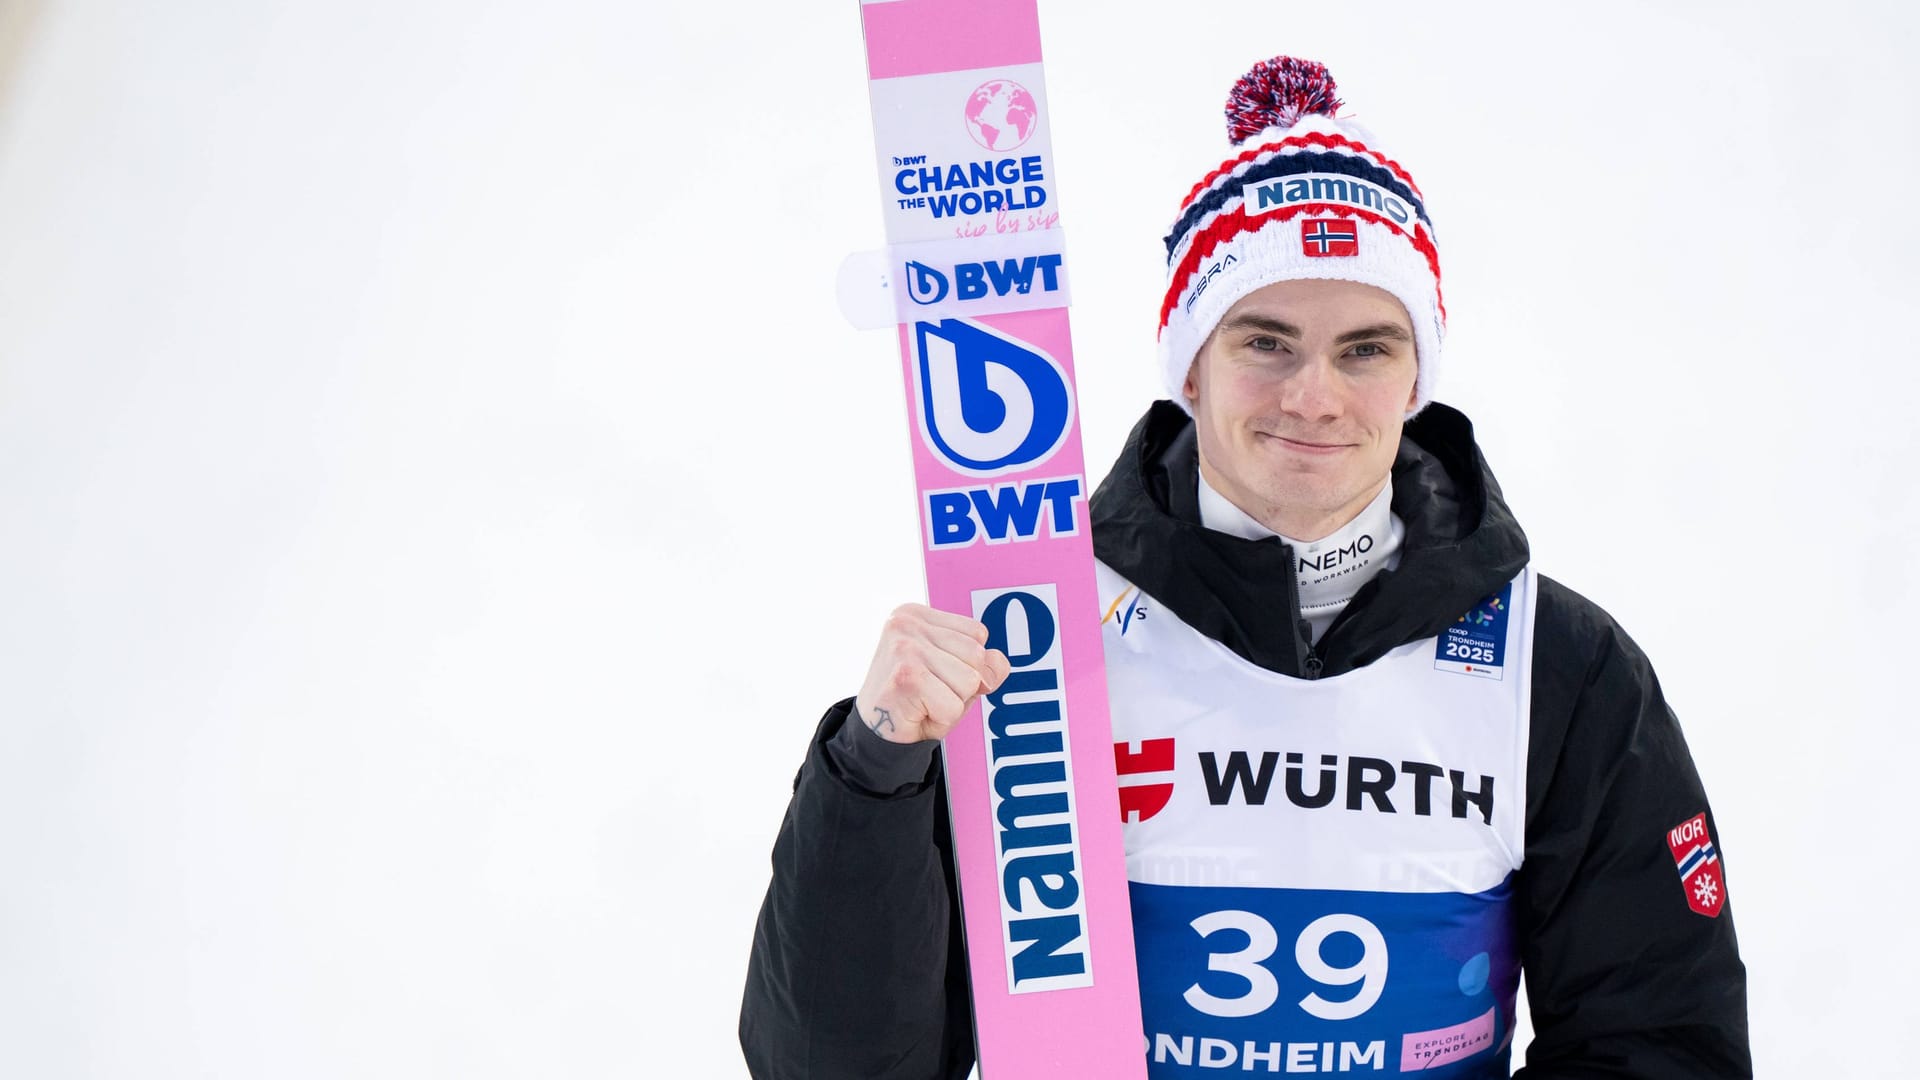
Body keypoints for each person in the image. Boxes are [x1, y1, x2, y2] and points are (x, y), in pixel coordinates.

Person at [740, 56, 1749, 1079]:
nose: (1314, 395)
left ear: (1417, 378)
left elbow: (1656, 1045)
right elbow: (832, 1068)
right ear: (1189, 363)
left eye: (1366, 349)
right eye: (1266, 341)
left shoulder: (1557, 667)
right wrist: (873, 771)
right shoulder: (1030, 647)